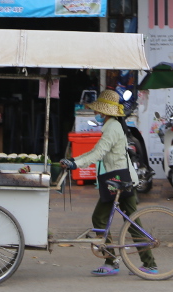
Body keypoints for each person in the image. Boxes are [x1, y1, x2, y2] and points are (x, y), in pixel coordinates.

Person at [60, 89, 158, 276]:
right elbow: (97, 151)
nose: (96, 113)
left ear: (104, 112)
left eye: (98, 110)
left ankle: (116, 261)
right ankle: (138, 262)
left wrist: (75, 163)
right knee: (129, 220)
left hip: (119, 180)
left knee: (109, 219)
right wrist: (75, 162)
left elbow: (98, 154)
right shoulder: (112, 126)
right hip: (118, 178)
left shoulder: (112, 128)